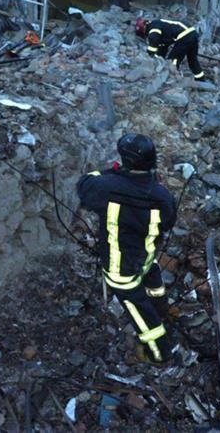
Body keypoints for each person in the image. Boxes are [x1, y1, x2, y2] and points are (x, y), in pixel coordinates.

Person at [76, 134, 177, 366]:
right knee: (153, 281)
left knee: (140, 314)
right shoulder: (162, 196)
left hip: (120, 268)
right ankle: (163, 309)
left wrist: (113, 172)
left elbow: (84, 183)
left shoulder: (105, 186)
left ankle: (160, 354)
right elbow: (168, 221)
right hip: (146, 257)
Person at [135, 17, 207, 80]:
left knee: (173, 60)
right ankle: (201, 79)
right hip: (192, 33)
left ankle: (172, 77)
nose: (145, 36)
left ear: (143, 28)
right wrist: (159, 57)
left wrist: (150, 54)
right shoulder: (159, 25)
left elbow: (154, 40)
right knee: (192, 59)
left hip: (184, 35)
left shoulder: (153, 27)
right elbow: (163, 47)